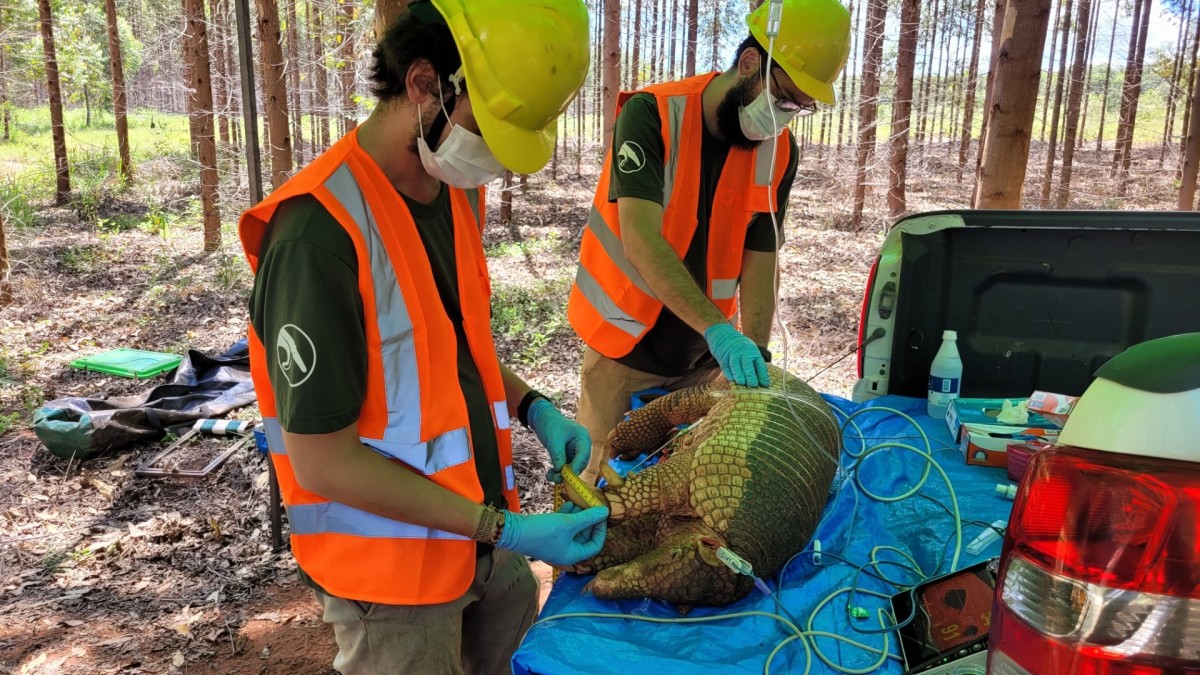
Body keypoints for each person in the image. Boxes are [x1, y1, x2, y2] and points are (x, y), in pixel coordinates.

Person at [236, 1, 604, 673]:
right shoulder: (317, 237)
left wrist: (532, 407)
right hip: (393, 582)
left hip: (479, 538)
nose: (492, 154)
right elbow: (323, 461)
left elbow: (450, 347)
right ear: (424, 83)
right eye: (486, 125)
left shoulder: (453, 188)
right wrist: (506, 528)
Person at [568, 0, 852, 485]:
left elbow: (762, 253)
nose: (785, 116)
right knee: (598, 491)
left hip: (706, 361)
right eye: (784, 97)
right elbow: (641, 240)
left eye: (800, 108)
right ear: (748, 63)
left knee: (682, 492)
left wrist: (755, 351)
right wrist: (719, 331)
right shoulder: (651, 116)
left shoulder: (779, 149)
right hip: (625, 349)